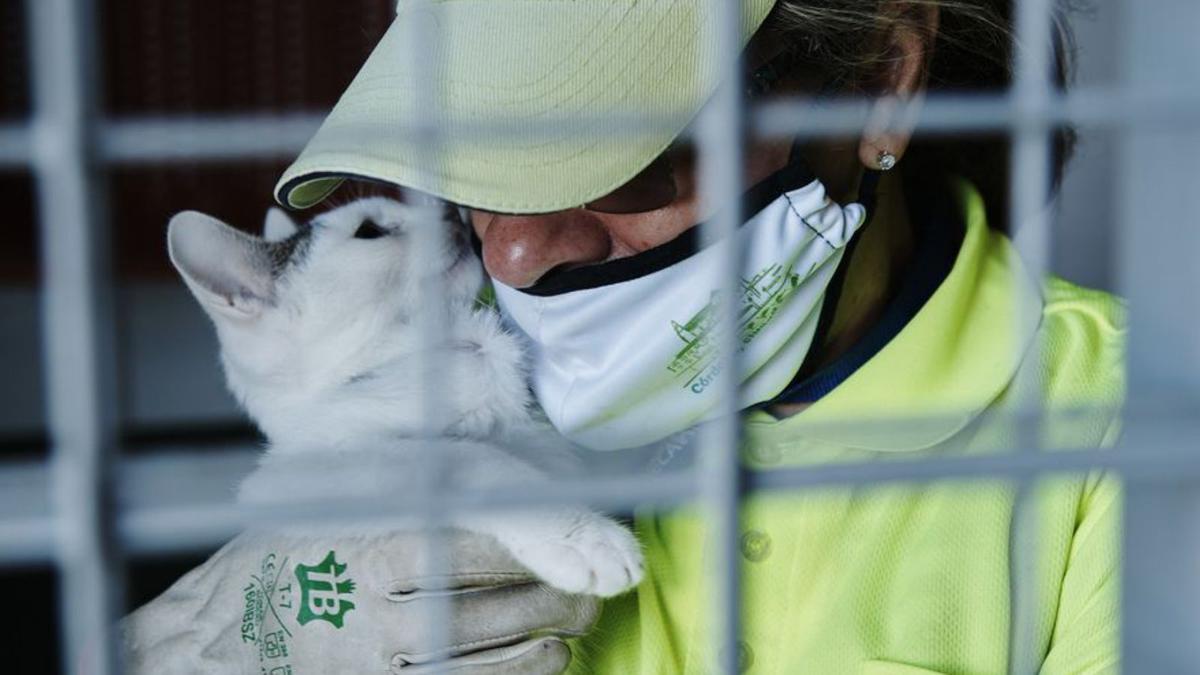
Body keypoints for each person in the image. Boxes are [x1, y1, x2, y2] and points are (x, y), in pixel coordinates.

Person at [124, 0, 1123, 673]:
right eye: (467, 170)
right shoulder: (431, 410)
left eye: (622, 158)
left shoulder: (1124, 425)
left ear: (880, 84)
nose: (510, 256)